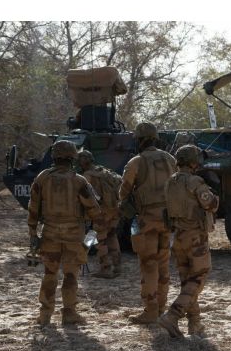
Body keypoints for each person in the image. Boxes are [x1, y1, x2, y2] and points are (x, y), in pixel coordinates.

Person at [28, 140, 104, 326]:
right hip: (74, 235)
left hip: (50, 233)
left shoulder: (42, 178)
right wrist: (92, 232)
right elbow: (95, 210)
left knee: (49, 273)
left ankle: (45, 314)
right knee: (71, 275)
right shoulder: (79, 181)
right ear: (73, 157)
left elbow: (33, 209)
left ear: (54, 156)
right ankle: (69, 312)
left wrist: (32, 234)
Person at [158, 145, 219, 338]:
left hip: (178, 236)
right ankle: (173, 315)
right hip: (195, 236)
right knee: (199, 276)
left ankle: (195, 323)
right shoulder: (194, 181)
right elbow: (210, 203)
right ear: (193, 162)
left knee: (188, 281)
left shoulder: (170, 182)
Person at [119, 122, 176, 323]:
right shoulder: (170, 159)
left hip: (147, 221)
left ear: (140, 140)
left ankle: (150, 310)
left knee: (148, 265)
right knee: (163, 264)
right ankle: (161, 307)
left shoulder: (136, 162)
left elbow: (123, 191)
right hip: (168, 219)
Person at [77, 149, 122, 278]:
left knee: (100, 240)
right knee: (112, 236)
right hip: (114, 210)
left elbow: (87, 197)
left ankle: (106, 268)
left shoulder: (87, 176)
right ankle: (117, 266)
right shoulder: (104, 171)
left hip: (101, 212)